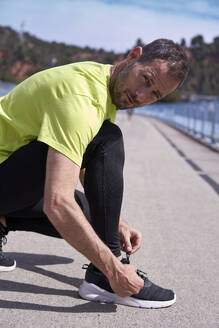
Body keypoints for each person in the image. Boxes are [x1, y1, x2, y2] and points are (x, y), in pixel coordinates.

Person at [0, 39, 189, 308]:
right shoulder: (82, 98)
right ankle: (102, 280)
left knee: (97, 219)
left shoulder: (103, 83)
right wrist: (113, 269)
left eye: (155, 95)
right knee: (108, 139)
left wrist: (118, 222)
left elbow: (80, 162)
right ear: (134, 56)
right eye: (145, 79)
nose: (143, 96)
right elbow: (57, 203)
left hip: (7, 171)